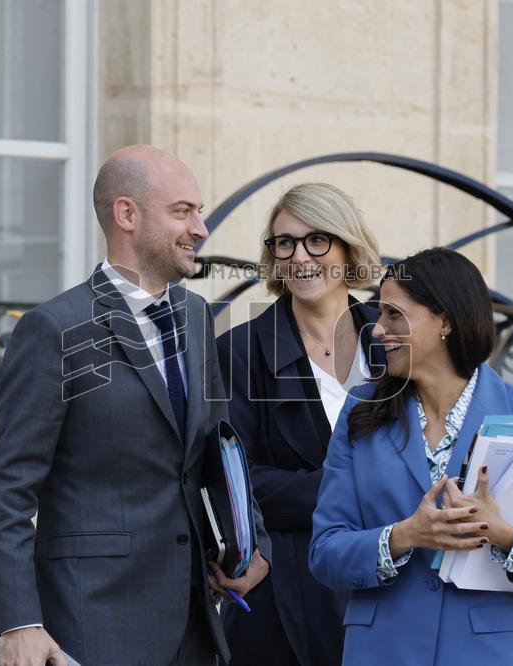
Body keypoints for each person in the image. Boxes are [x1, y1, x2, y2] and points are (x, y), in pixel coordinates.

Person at [0, 145, 271, 666]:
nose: (201, 229)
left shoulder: (197, 315)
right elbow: (7, 490)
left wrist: (255, 544)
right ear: (127, 214)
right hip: (90, 624)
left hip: (197, 623)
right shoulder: (55, 328)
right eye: (183, 211)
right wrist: (19, 621)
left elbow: (219, 447)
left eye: (199, 212)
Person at [309, 247, 513, 666]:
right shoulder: (360, 415)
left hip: (487, 654)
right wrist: (405, 535)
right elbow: (324, 552)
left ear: (444, 321)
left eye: (395, 315)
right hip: (382, 651)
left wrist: (506, 535)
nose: (378, 330)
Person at [216, 183, 384, 665]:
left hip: (395, 585)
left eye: (317, 240)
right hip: (286, 596)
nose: (299, 256)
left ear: (348, 246)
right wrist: (363, 489)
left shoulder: (393, 339)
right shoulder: (239, 352)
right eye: (284, 243)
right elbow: (238, 481)